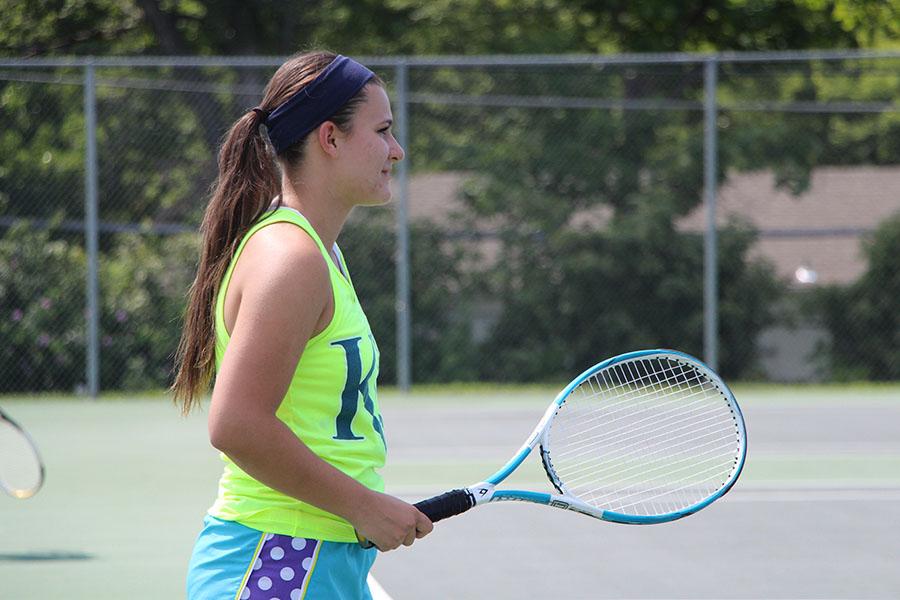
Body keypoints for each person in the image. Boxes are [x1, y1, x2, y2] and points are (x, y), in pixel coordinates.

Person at [171, 51, 433, 600]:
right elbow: (236, 423)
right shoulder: (290, 258)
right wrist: (365, 506)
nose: (397, 150)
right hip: (279, 560)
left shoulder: (320, 252)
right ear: (330, 139)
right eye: (383, 131)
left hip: (322, 556)